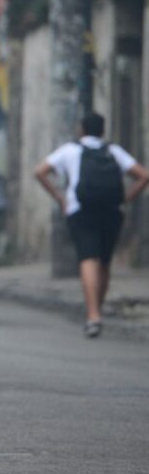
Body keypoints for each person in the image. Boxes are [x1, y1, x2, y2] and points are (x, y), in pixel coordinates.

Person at [34, 113, 149, 337]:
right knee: (104, 262)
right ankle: (98, 309)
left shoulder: (70, 150)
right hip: (111, 211)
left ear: (81, 129)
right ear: (103, 131)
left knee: (88, 259)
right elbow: (144, 176)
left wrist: (60, 199)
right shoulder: (113, 151)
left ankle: (93, 315)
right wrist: (126, 199)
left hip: (80, 211)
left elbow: (40, 172)